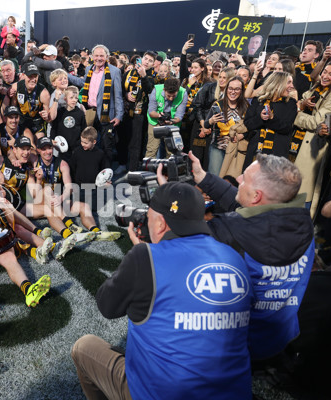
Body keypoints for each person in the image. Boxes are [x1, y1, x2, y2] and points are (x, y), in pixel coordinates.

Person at [71, 182, 253, 399]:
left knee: (83, 347)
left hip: (162, 393)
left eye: (148, 218)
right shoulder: (234, 256)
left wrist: (139, 253)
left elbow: (106, 305)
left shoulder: (144, 257)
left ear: (160, 225)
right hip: (233, 393)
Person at [190, 151, 314, 360]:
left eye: (244, 178)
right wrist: (204, 178)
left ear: (256, 196)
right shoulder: (304, 225)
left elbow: (178, 243)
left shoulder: (229, 231)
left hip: (235, 344)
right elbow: (251, 210)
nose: (237, 179)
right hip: (278, 338)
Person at [293, 62, 331, 214]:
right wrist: (301, 104)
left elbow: (316, 123)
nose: (325, 76)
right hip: (298, 142)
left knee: (302, 192)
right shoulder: (317, 87)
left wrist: (294, 114)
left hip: (314, 147)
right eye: (325, 72)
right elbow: (301, 101)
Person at [68, 45, 124, 163]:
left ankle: (107, 173)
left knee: (106, 145)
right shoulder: (89, 69)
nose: (99, 58)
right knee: (89, 143)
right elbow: (83, 83)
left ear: (107, 57)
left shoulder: (115, 72)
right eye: (96, 56)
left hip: (107, 113)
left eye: (102, 56)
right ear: (92, 57)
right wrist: (66, 75)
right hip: (90, 111)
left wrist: (119, 115)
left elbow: (118, 95)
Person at [243, 71, 296, 170]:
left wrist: (272, 119)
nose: (292, 86)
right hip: (255, 151)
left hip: (277, 155)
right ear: (277, 83)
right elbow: (248, 124)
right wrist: (261, 118)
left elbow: (287, 128)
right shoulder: (258, 100)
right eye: (288, 82)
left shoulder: (291, 104)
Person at [202, 76, 249, 177]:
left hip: (236, 149)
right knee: (215, 177)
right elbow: (206, 124)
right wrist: (211, 120)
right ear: (227, 89)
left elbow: (251, 128)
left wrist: (243, 135)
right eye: (230, 88)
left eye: (237, 89)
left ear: (241, 91)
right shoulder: (218, 104)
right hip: (218, 147)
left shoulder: (246, 106)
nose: (233, 92)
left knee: (230, 179)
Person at [191, 67, 236, 169]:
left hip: (216, 130)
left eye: (225, 77)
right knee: (197, 158)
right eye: (220, 77)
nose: (221, 80)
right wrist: (204, 126)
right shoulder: (209, 87)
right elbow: (197, 106)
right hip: (200, 125)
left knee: (209, 160)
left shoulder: (232, 94)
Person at [123, 52, 155, 171]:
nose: (146, 62)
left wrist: (144, 77)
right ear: (141, 59)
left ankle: (133, 169)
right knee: (124, 139)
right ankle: (123, 164)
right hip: (126, 111)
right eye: (145, 58)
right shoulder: (129, 73)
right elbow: (120, 88)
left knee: (136, 143)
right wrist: (126, 95)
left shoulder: (152, 76)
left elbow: (150, 91)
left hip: (140, 114)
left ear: (153, 64)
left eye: (150, 60)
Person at [146, 78, 188, 158]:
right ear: (164, 90)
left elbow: (179, 116)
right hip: (155, 121)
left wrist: (171, 121)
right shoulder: (156, 90)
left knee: (172, 151)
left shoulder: (183, 93)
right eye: (169, 95)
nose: (171, 98)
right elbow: (151, 112)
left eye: (174, 96)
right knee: (151, 149)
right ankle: (149, 168)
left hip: (172, 122)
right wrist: (160, 115)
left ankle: (170, 169)